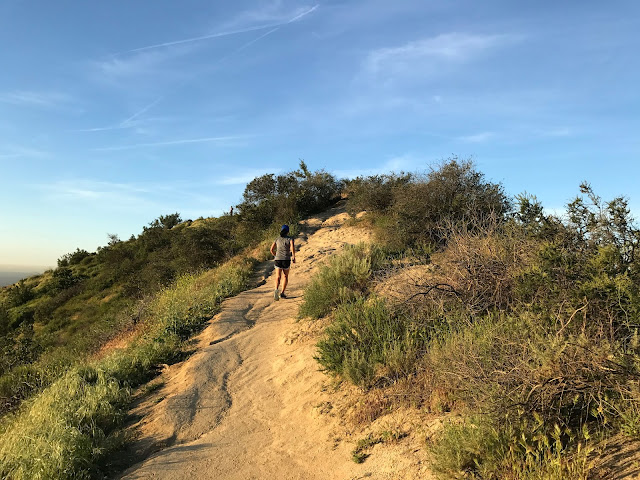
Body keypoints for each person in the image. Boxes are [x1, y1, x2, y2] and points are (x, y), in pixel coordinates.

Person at [270, 224, 296, 300]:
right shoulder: (290, 239)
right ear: (288, 231)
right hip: (286, 259)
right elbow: (292, 247)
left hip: (278, 259)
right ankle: (282, 293)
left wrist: (276, 255)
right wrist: (294, 256)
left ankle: (276, 289)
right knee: (285, 276)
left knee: (278, 276)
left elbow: (271, 249)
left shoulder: (277, 239)